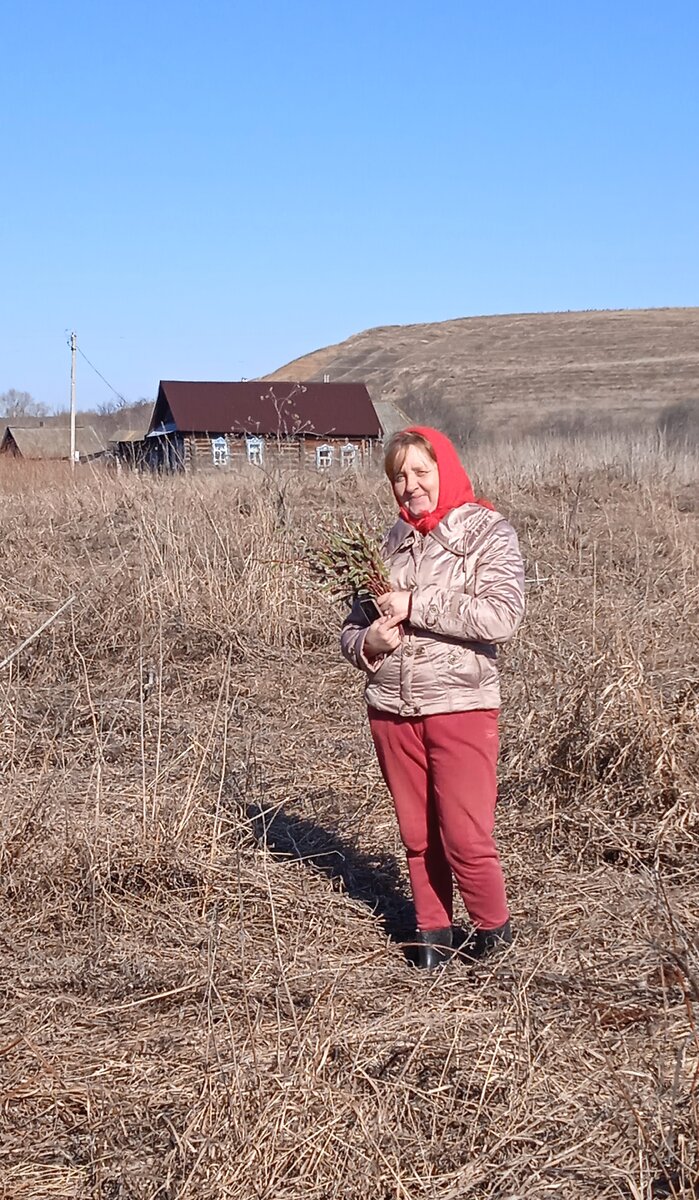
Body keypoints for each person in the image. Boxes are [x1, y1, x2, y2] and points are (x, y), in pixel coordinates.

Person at [340, 426, 525, 969]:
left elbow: (502, 615)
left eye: (420, 471)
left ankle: (494, 938)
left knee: (467, 836)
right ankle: (433, 935)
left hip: (461, 707)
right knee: (418, 836)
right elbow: (352, 630)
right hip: (391, 710)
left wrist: (416, 603)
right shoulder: (384, 544)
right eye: (398, 477)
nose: (410, 485)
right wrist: (367, 642)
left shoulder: (486, 532)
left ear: (444, 468)